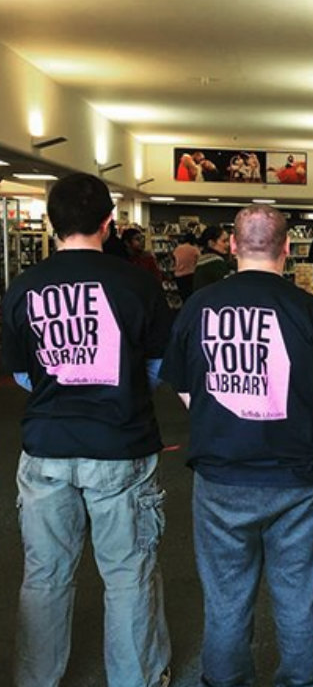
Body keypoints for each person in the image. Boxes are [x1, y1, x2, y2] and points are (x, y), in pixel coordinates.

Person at [160, 204, 313, 687]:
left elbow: (186, 388)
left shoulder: (199, 307)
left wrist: (223, 418)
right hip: (301, 477)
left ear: (232, 246)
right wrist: (303, 425)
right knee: (299, 594)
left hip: (222, 475)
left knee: (226, 594)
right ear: (288, 250)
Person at [1, 173, 172, 687]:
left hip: (46, 447)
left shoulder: (23, 287)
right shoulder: (137, 282)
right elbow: (159, 368)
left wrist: (64, 387)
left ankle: (37, 680)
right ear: (109, 223)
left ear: (52, 225)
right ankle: (136, 678)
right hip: (120, 445)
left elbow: (23, 373)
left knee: (45, 576)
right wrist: (117, 386)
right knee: (127, 575)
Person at [193, 225, 232, 290]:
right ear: (211, 243)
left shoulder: (202, 261)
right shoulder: (216, 263)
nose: (228, 244)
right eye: (224, 241)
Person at [173, 231, 200, 301]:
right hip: (190, 275)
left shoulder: (177, 249)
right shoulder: (194, 249)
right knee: (191, 296)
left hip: (178, 275)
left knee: (183, 295)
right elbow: (199, 260)